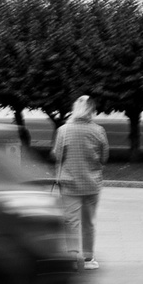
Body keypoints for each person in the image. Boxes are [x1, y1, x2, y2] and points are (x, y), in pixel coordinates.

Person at [51, 96, 109, 268]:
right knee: (89, 222)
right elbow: (104, 158)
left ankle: (72, 260)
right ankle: (89, 259)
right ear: (92, 110)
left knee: (71, 222)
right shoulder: (99, 131)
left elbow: (57, 155)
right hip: (92, 184)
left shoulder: (64, 130)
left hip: (69, 184)